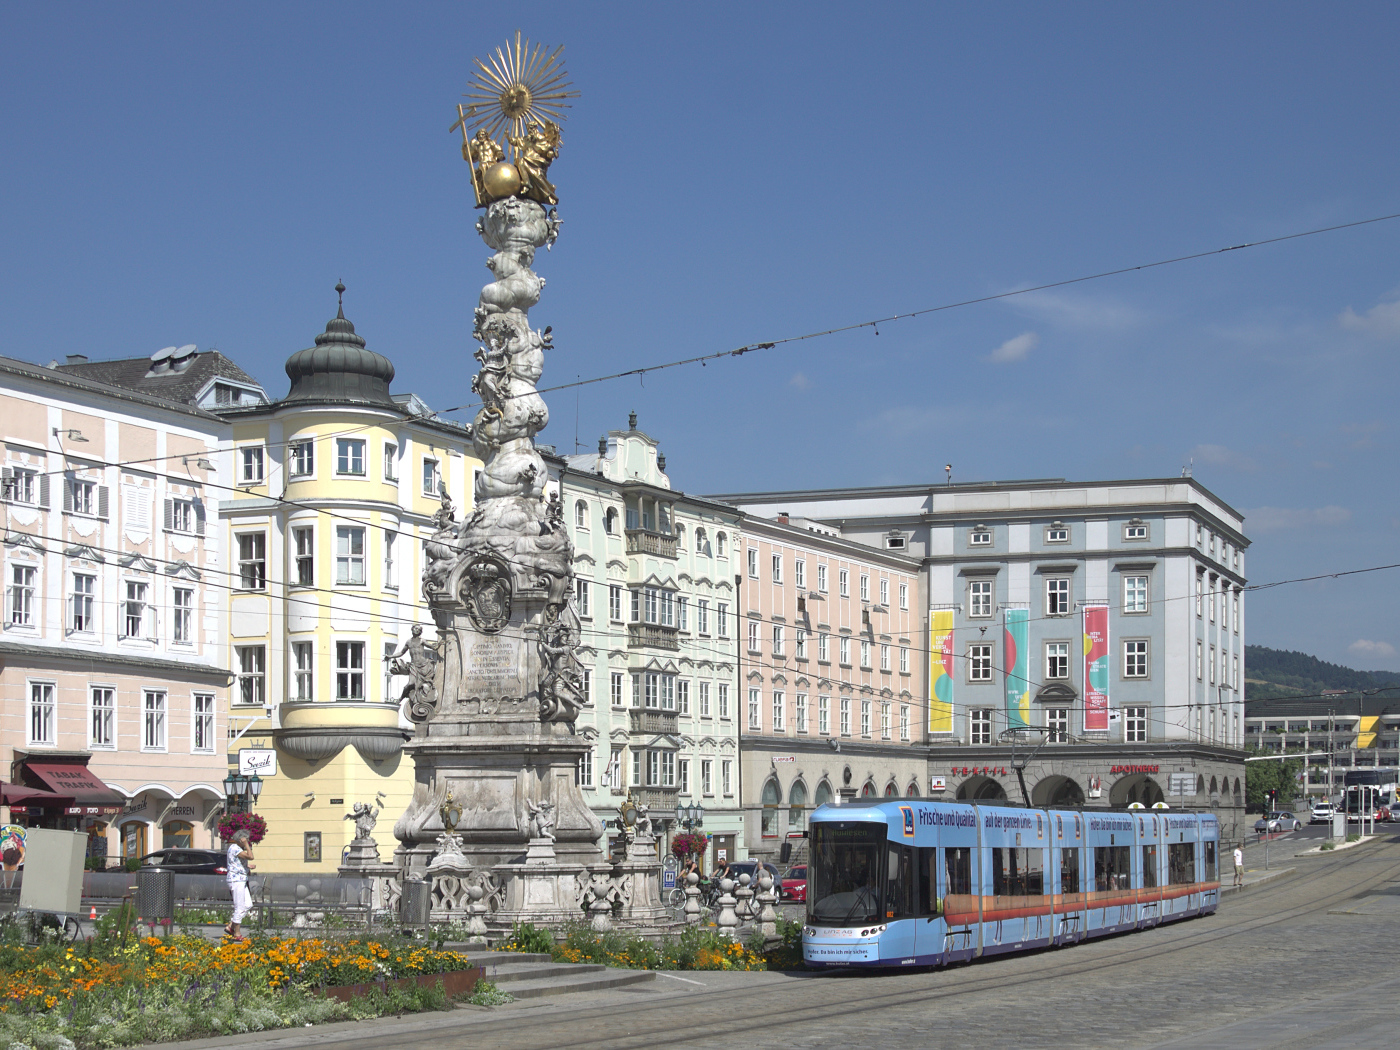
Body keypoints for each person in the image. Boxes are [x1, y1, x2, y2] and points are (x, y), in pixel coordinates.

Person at [225, 829, 254, 940]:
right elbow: (250, 856)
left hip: (241, 879)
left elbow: (237, 863)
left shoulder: (237, 849)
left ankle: (231, 926)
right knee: (239, 906)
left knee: (248, 905)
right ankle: (237, 933)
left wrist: (247, 867)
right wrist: (247, 845)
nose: (247, 841)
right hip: (236, 880)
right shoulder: (234, 848)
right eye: (246, 839)